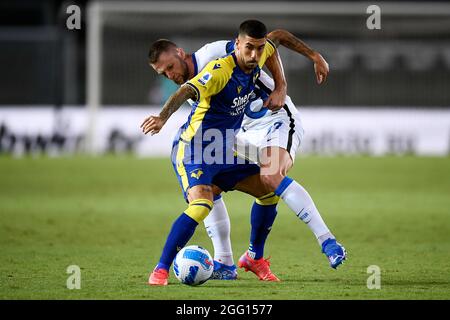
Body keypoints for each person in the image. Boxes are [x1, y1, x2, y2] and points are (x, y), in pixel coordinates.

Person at [142, 20, 346, 286]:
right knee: (206, 197)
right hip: (221, 141)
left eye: (170, 67)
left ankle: (307, 244)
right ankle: (205, 264)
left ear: (181, 53)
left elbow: (273, 39)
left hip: (271, 121)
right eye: (163, 72)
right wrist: (163, 117)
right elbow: (188, 92)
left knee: (270, 184)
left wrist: (282, 85)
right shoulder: (214, 72)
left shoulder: (221, 55)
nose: (169, 74)